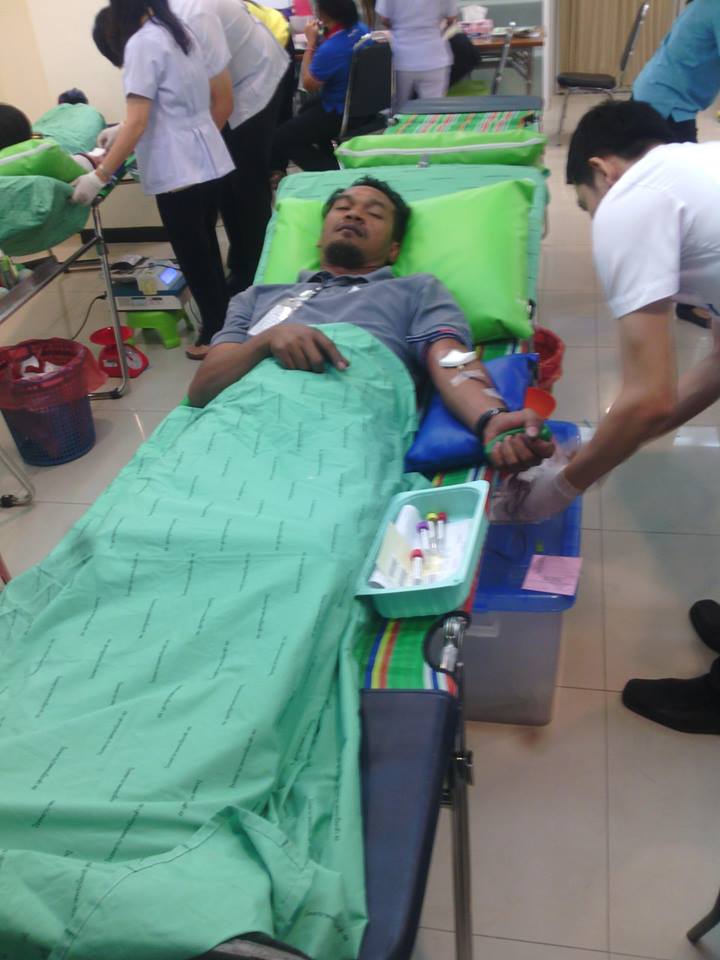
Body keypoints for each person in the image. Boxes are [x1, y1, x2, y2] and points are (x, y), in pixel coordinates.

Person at [489, 100, 720, 732]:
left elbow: (649, 397)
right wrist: (608, 441)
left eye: (587, 207)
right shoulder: (699, 172)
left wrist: (562, 486)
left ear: (602, 170)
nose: (597, 220)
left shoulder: (632, 198)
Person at [188, 176, 556, 477]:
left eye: (374, 213)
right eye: (343, 208)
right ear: (319, 237)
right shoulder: (255, 297)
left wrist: (491, 416)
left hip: (339, 444)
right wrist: (266, 341)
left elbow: (451, 358)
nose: (355, 214)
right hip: (231, 433)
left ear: (394, 249)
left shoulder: (416, 291)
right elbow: (202, 390)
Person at [81, 2, 235, 360]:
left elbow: (139, 121)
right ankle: (225, 320)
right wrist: (121, 129)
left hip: (178, 167)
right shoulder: (179, 32)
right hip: (206, 157)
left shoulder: (141, 42)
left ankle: (215, 332)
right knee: (206, 247)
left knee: (194, 255)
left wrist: (99, 175)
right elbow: (171, 102)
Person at [170, 0, 289, 300]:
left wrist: (196, 145)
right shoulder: (158, 25)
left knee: (247, 180)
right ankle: (242, 264)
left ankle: (261, 276)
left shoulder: (194, 14)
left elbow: (221, 102)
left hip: (257, 75)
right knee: (226, 179)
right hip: (233, 77)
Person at [632, 0, 720, 327]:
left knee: (674, 199)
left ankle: (666, 282)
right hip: (666, 103)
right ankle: (684, 299)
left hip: (660, 95)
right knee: (685, 200)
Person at [270, 0, 369, 178]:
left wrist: (311, 43)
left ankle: (331, 173)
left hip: (340, 111)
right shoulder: (362, 30)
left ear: (324, 12)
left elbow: (308, 84)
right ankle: (331, 159)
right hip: (362, 104)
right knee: (305, 110)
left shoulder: (332, 49)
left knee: (282, 137)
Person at [376, 0, 458, 109]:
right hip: (434, 56)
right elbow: (451, 18)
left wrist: (400, 28)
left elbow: (384, 19)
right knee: (432, 110)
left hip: (401, 58)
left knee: (398, 110)